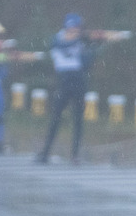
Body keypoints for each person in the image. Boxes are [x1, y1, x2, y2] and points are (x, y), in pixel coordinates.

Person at [36, 13, 96, 164]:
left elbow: (86, 62)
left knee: (78, 119)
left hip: (78, 80)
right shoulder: (57, 39)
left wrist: (94, 48)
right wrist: (81, 38)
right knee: (56, 117)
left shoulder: (80, 41)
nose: (78, 30)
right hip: (64, 80)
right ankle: (45, 153)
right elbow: (62, 45)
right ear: (69, 27)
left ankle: (75, 154)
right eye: (75, 27)